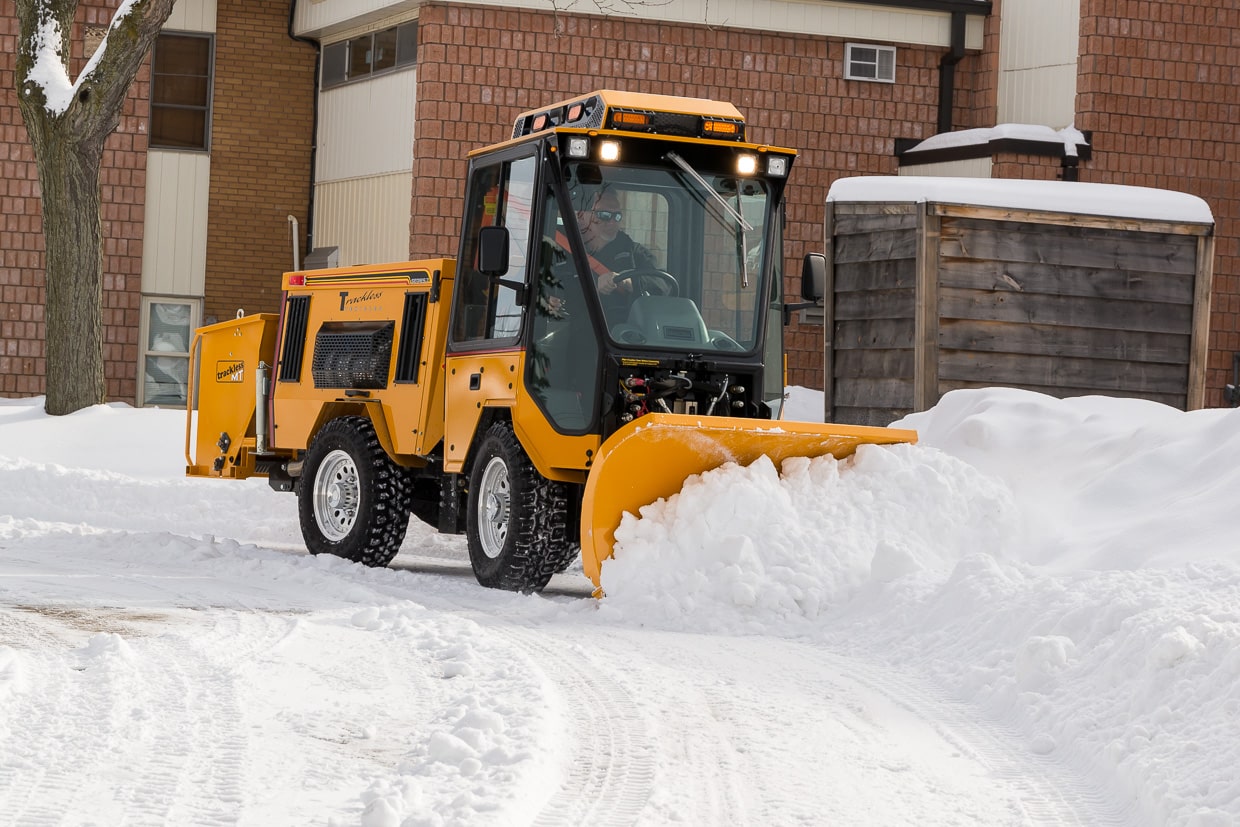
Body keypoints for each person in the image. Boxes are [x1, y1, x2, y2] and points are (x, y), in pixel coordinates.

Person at [574, 187, 659, 300]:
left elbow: (662, 283)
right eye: (604, 215)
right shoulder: (558, 247)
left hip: (625, 317)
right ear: (581, 215)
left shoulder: (632, 250)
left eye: (617, 216)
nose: (612, 222)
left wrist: (627, 281)